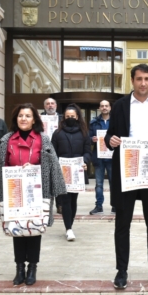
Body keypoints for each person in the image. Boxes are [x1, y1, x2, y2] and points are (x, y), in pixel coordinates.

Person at [105, 64, 148, 289]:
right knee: (122, 225)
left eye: (146, 79)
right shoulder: (120, 106)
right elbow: (109, 136)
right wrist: (111, 141)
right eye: (138, 79)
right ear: (132, 81)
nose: (143, 83)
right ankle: (121, 271)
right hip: (127, 171)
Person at [0, 103, 67, 286]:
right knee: (16, 229)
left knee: (33, 229)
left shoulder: (43, 139)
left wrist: (35, 169)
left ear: (34, 120)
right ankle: (19, 268)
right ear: (16, 119)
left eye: (28, 116)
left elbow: (53, 165)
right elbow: (2, 165)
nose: (23, 119)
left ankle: (32, 267)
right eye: (20, 116)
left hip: (36, 191)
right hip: (13, 190)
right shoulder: (7, 139)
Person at [52, 103, 92, 241]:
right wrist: (56, 166)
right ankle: (68, 228)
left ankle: (70, 225)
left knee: (73, 200)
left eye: (72, 116)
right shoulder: (57, 133)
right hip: (62, 172)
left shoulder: (84, 133)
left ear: (77, 117)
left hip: (77, 172)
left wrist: (85, 162)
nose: (70, 118)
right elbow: (53, 153)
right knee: (65, 200)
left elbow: (87, 151)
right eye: (67, 116)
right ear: (64, 117)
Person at [89, 100, 114, 215]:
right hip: (98, 158)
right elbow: (87, 138)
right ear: (99, 108)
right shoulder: (93, 123)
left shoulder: (115, 121)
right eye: (102, 106)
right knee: (99, 184)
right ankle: (99, 206)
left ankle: (115, 205)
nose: (104, 108)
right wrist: (91, 139)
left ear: (110, 108)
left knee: (113, 183)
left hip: (112, 157)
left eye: (106, 106)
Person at [41, 97, 63, 214]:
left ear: (56, 106)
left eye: (52, 103)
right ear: (45, 106)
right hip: (43, 152)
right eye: (48, 104)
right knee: (45, 180)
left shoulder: (62, 119)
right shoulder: (38, 118)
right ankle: (46, 205)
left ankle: (60, 205)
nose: (50, 105)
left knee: (57, 179)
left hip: (58, 152)